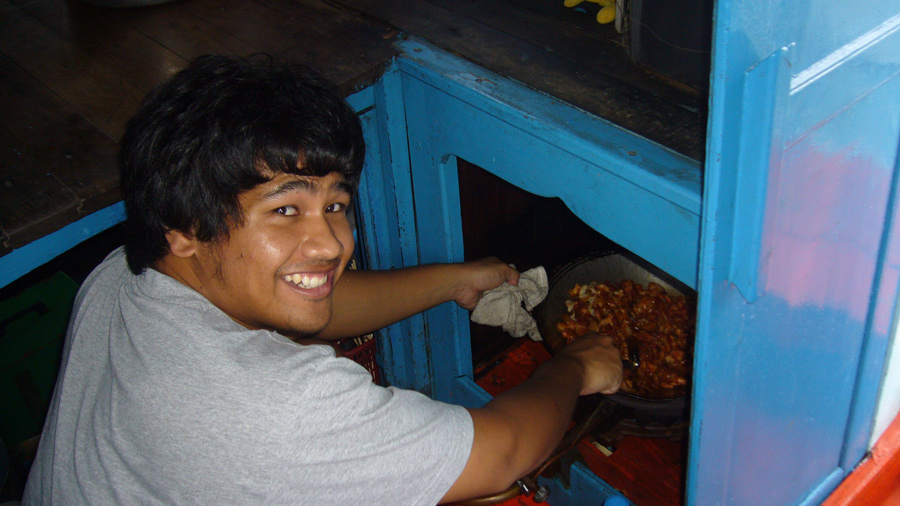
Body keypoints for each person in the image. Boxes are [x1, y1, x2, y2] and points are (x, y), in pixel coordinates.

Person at [22, 55, 622, 505]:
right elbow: (505, 453)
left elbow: (315, 304)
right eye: (286, 210)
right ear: (185, 226)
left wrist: (456, 279)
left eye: (335, 203)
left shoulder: (124, 275)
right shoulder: (274, 409)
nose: (333, 243)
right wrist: (569, 367)